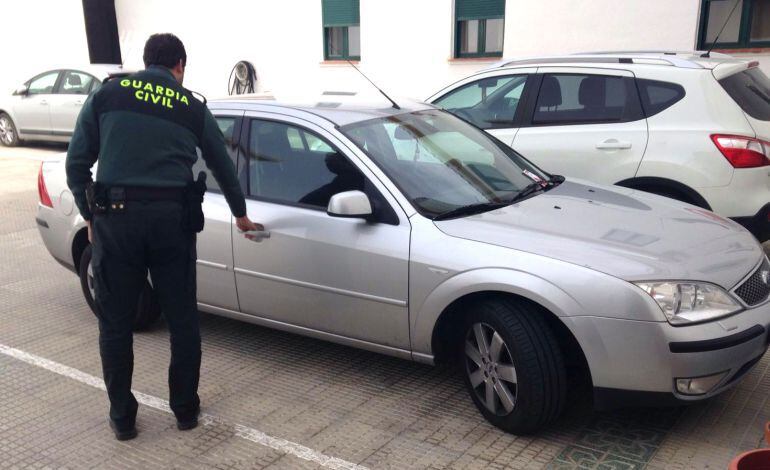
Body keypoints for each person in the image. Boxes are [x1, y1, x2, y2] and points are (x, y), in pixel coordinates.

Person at [65, 33, 260, 441]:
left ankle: (123, 419)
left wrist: (90, 217)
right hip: (172, 224)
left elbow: (77, 162)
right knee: (183, 320)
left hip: (115, 223)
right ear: (180, 67)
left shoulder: (109, 95)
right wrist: (240, 214)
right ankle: (185, 411)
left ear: (146, 60)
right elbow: (223, 165)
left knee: (115, 325)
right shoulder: (190, 106)